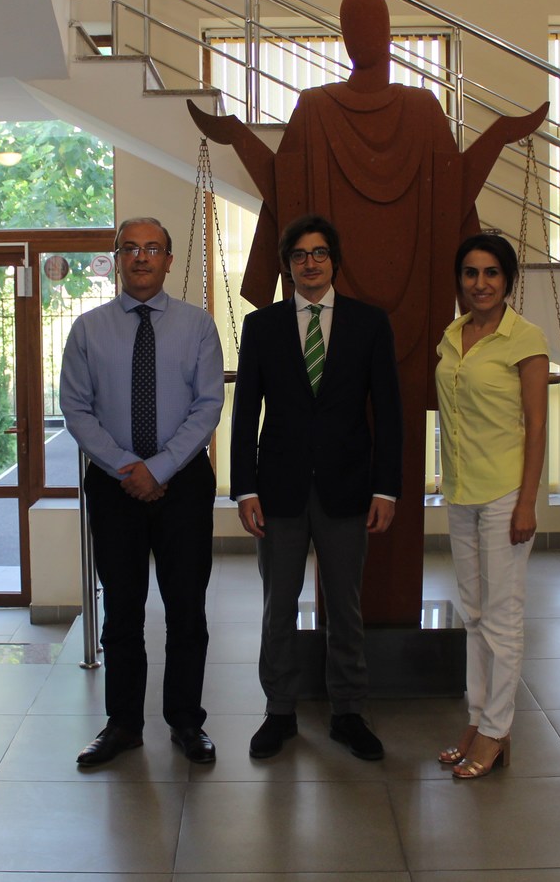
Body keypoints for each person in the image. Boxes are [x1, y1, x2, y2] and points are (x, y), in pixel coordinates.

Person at [190, 0, 548, 626]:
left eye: (373, 24)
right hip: (337, 333)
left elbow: (452, 190)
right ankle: (346, 635)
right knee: (338, 474)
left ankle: (387, 624)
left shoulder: (423, 110)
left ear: (387, 34)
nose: (364, 36)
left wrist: (499, 136)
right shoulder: (314, 109)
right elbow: (285, 188)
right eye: (353, 25)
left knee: (394, 469)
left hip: (411, 326)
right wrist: (237, 136)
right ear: (345, 36)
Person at [230, 214, 403, 760]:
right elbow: (245, 413)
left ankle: (348, 712)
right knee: (278, 605)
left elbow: (389, 413)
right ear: (288, 265)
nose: (310, 263)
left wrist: (386, 489)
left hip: (348, 489)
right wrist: (244, 489)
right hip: (277, 492)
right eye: (300, 255)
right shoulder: (261, 326)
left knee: (345, 608)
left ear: (335, 261)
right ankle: (279, 711)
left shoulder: (369, 324)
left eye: (320, 253)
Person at [60, 217, 225, 767]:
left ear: (169, 260)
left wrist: (159, 468)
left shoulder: (198, 326)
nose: (141, 257)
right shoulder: (88, 329)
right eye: (129, 248)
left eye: (153, 248)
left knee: (186, 608)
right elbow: (76, 408)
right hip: (115, 487)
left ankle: (186, 721)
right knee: (122, 609)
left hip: (184, 484)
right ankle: (123, 724)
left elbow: (208, 405)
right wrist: (128, 467)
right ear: (116, 259)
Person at [434, 232, 549, 779]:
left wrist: (527, 502)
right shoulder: (452, 335)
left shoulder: (525, 339)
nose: (480, 284)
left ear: (508, 281)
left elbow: (537, 428)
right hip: (461, 490)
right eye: (471, 273)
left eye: (491, 273)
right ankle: (477, 720)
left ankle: (498, 731)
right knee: (474, 613)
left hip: (504, 494)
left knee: (502, 618)